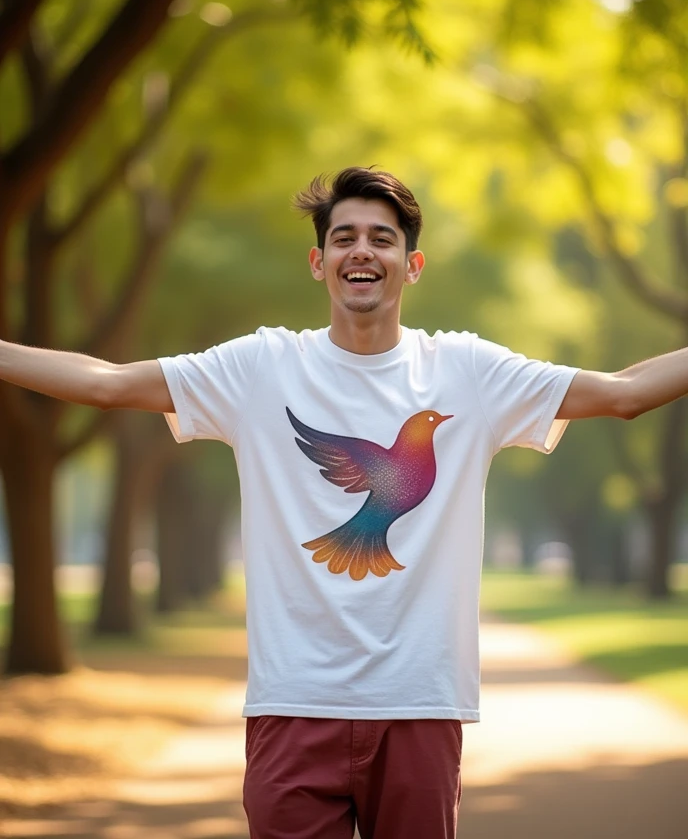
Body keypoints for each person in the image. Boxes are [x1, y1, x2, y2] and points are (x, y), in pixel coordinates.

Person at [1, 166, 686, 839]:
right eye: (345, 237)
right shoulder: (260, 368)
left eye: (382, 239)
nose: (363, 250)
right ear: (319, 261)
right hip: (292, 705)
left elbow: (623, 393)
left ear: (412, 265)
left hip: (420, 705)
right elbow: (111, 383)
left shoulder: (468, 372)